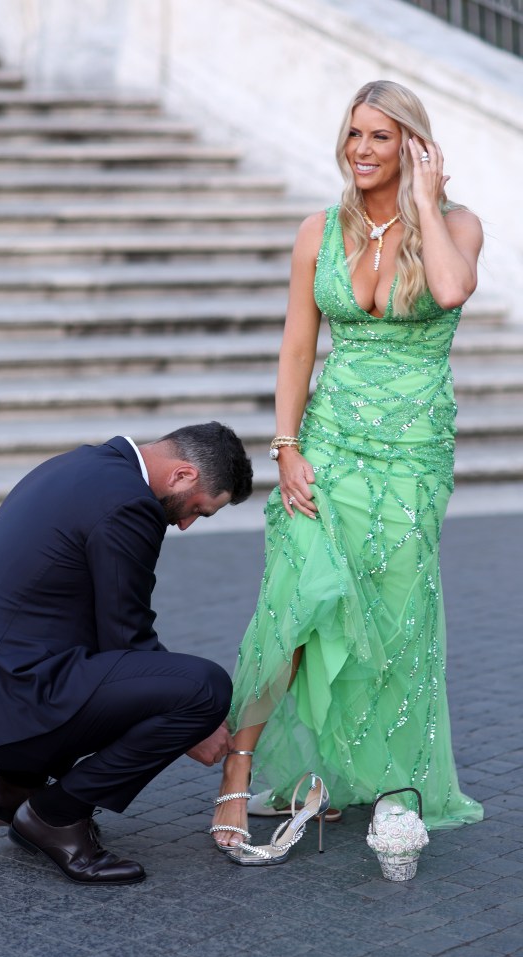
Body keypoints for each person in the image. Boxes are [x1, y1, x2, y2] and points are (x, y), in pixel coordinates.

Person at [211, 80, 484, 864]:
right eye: (354, 134)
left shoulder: (458, 227)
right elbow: (298, 346)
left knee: (396, 614)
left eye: (381, 137)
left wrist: (427, 203)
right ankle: (237, 769)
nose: (361, 149)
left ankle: (396, 786)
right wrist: (286, 446)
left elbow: (451, 287)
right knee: (293, 600)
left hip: (411, 452)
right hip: (327, 445)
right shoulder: (318, 231)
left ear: (413, 147)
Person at [0, 423, 253, 884]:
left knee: (132, 677)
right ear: (182, 475)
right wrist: (197, 723)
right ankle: (55, 816)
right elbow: (128, 637)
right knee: (204, 688)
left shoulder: (78, 465)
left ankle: (14, 786)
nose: (184, 524)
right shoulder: (129, 503)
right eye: (199, 509)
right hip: (6, 705)